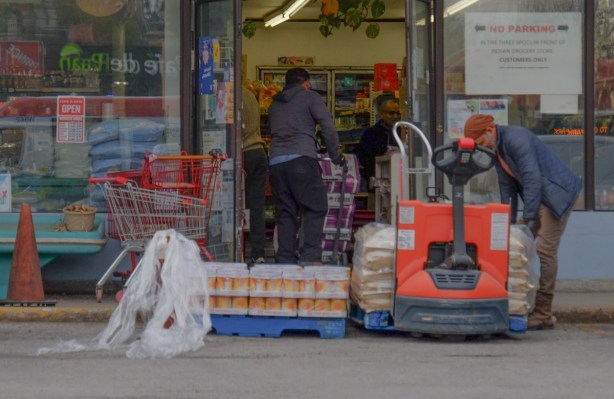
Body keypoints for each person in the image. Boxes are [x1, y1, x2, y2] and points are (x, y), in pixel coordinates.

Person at [463, 114, 582, 330]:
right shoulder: (497, 150)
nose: (481, 148)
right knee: (516, 244)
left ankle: (544, 312)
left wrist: (527, 219)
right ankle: (517, 298)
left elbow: (532, 178)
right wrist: (506, 224)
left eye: (480, 143)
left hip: (556, 196)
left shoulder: (517, 139)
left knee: (545, 249)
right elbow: (506, 186)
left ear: (490, 130)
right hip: (539, 197)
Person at [267, 67, 346, 265]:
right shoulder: (310, 97)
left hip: (275, 161)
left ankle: (285, 259)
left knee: (286, 212)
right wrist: (336, 156)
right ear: (306, 83)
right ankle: (310, 257)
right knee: (315, 206)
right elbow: (327, 125)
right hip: (301, 159)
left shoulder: (274, 104)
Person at [241, 86, 268, 265]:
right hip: (258, 151)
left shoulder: (230, 93)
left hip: (243, 153)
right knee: (256, 205)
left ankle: (238, 249)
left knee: (235, 203)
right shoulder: (250, 94)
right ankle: (258, 252)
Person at [356, 97, 402, 190]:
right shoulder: (371, 133)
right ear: (382, 114)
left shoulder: (403, 131)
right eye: (391, 113)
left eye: (398, 113)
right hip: (378, 179)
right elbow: (364, 157)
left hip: (400, 177)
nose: (395, 116)